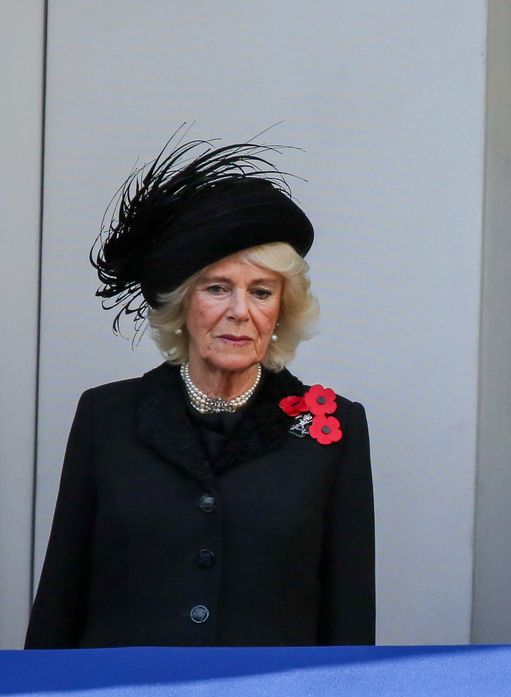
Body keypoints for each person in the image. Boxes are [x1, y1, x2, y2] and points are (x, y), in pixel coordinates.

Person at [25, 136, 375, 648]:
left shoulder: (334, 427)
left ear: (281, 310)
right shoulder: (107, 416)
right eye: (217, 288)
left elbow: (349, 614)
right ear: (183, 305)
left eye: (261, 291)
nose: (240, 311)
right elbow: (62, 591)